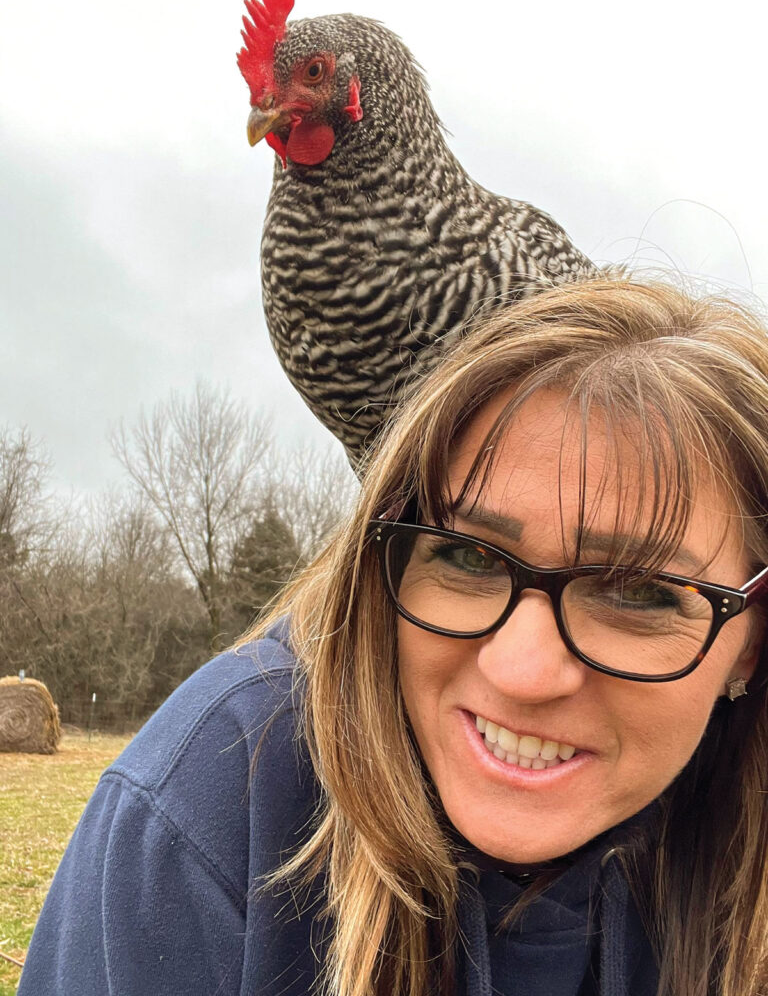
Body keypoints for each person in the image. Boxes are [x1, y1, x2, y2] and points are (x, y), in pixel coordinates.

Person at [18, 278, 768, 996]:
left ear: (750, 640)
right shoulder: (215, 797)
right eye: (469, 556)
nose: (522, 672)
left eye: (637, 593)